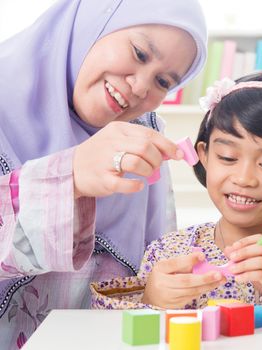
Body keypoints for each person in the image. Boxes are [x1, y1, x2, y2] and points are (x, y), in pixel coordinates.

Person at [0, 0, 207, 348]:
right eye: (140, 53)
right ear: (94, 20)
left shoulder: (142, 142)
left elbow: (149, 276)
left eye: (162, 81)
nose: (141, 87)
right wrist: (70, 175)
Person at [91, 71, 262, 311]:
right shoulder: (170, 252)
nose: (244, 178)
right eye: (227, 157)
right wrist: (151, 301)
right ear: (204, 156)